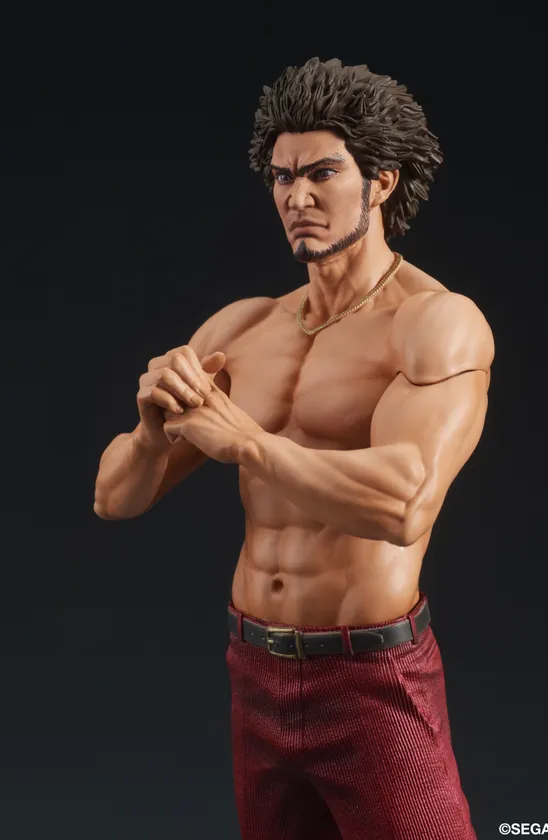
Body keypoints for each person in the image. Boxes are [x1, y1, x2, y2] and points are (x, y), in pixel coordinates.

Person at [94, 57, 494, 840]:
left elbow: (404, 502)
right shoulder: (245, 327)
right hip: (256, 672)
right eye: (281, 177)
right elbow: (114, 499)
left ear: (381, 183)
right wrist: (148, 432)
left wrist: (247, 441)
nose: (296, 197)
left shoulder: (434, 323)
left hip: (369, 678)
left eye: (321, 173)